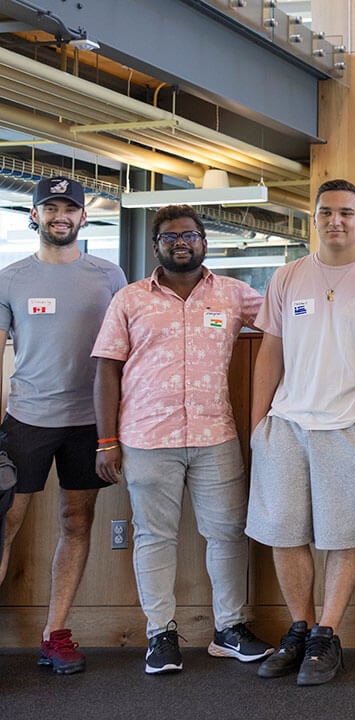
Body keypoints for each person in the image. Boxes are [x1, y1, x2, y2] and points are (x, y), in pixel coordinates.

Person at [246, 178, 355, 686]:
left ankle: (327, 633)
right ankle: (299, 628)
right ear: (314, 219)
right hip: (286, 424)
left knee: (343, 536)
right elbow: (270, 351)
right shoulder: (287, 277)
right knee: (284, 531)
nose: (335, 221)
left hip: (352, 426)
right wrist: (260, 423)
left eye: (346, 212)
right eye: (326, 212)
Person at [91, 204, 272, 675]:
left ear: (204, 241)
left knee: (228, 533)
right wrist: (106, 440)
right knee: (153, 536)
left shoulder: (234, 295)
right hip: (146, 438)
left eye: (189, 235)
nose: (181, 243)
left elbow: (285, 324)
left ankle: (229, 629)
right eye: (170, 238)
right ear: (156, 247)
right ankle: (160, 634)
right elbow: (106, 368)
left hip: (216, 435)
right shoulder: (129, 299)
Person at [0, 176, 127, 675]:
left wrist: (115, 427)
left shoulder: (109, 276)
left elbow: (123, 353)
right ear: (35, 216)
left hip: (89, 424)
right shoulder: (10, 278)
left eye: (68, 208)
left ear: (83, 217)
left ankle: (55, 635)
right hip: (26, 420)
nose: (60, 217)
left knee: (77, 523)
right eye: (50, 208)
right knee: (5, 525)